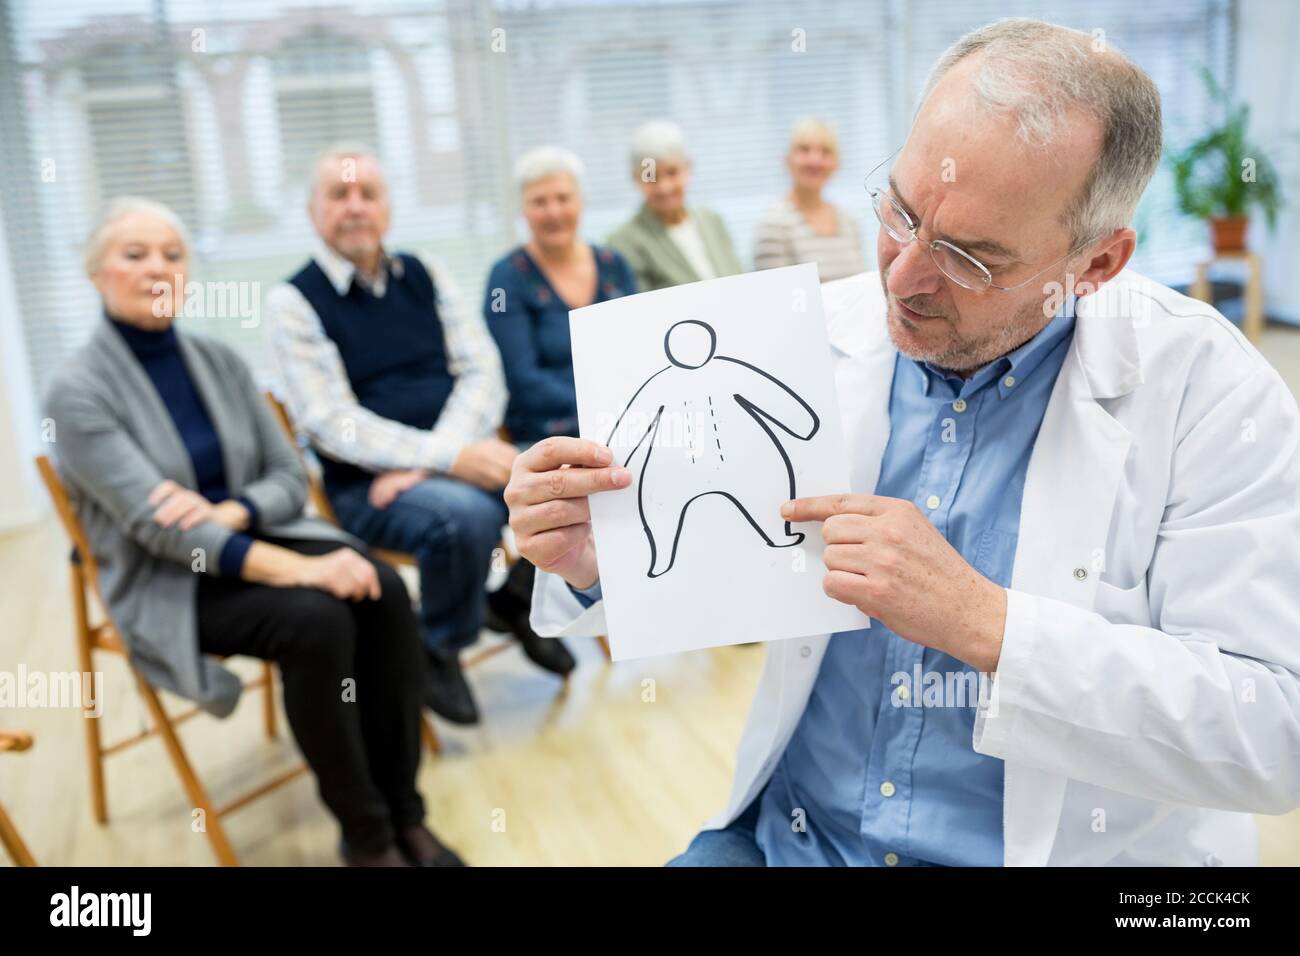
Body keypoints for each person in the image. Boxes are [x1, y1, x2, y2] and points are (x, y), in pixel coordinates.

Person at [506, 18, 1300, 866]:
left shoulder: (1209, 395)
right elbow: (731, 555)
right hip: (793, 841)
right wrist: (601, 558)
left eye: (969, 257)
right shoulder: (806, 332)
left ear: (1096, 265)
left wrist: (987, 623)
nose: (902, 275)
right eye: (902, 211)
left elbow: (1274, 731)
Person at [45, 197, 462, 867]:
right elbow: (160, 532)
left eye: (173, 255)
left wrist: (232, 511)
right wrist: (301, 568)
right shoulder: (75, 391)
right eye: (135, 254)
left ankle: (406, 813)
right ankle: (368, 837)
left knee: (382, 590)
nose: (157, 268)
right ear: (97, 273)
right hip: (172, 581)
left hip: (251, 536)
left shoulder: (219, 361)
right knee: (317, 617)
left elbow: (288, 479)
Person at [267, 145, 573, 729]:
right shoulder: (293, 302)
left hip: (442, 462)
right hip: (369, 486)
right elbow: (333, 422)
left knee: (565, 483)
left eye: (368, 194)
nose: (355, 207)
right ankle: (439, 644)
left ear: (388, 207)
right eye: (339, 194)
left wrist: (445, 457)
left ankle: (511, 601)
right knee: (462, 518)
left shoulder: (426, 271)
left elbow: (482, 370)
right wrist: (452, 459)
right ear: (312, 212)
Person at [484, 146, 636, 445]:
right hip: (547, 435)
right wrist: (599, 411)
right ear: (522, 210)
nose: (553, 211)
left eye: (563, 198)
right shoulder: (503, 280)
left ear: (580, 202)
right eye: (539, 202)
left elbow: (637, 348)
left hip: (624, 421)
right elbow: (521, 376)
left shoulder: (614, 265)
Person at [608, 121, 742, 292]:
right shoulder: (623, 243)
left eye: (672, 172)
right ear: (636, 178)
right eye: (651, 177)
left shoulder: (713, 221)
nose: (664, 188)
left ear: (688, 168)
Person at [753, 118, 866, 282]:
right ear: (788, 159)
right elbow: (777, 297)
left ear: (836, 162)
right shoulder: (773, 224)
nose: (815, 160)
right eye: (804, 149)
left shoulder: (849, 221)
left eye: (825, 151)